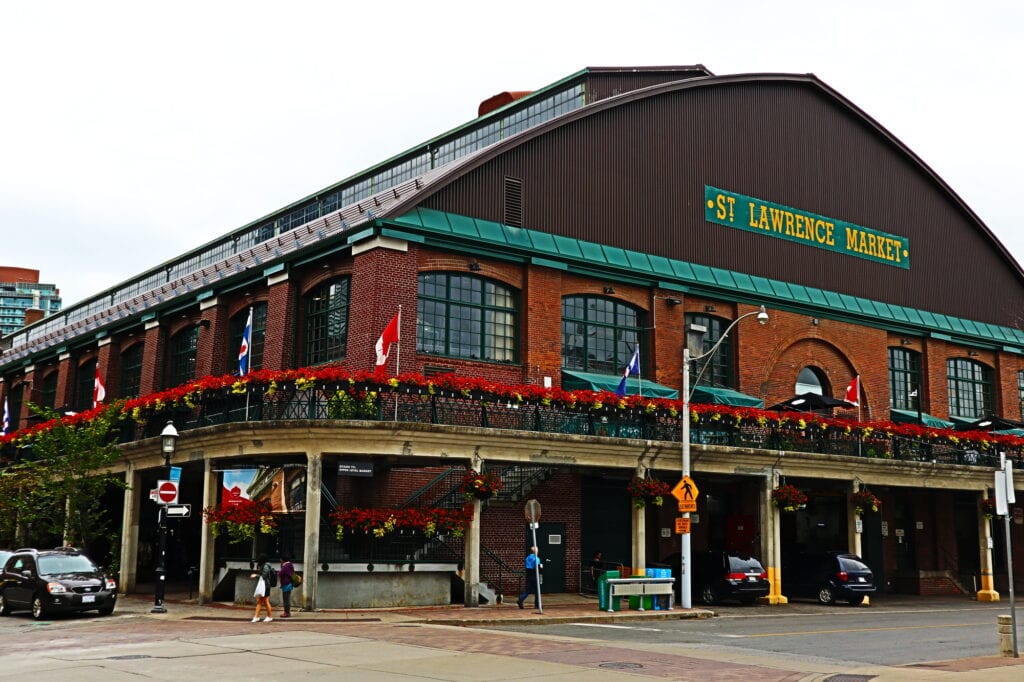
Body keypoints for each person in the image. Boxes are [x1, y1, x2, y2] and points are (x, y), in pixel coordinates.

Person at [249, 554, 274, 622]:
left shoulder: (266, 566)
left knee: (265, 601)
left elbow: (263, 576)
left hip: (265, 585)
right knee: (260, 601)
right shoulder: (264, 565)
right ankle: (257, 616)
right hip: (263, 585)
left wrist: (255, 575)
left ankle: (268, 616)